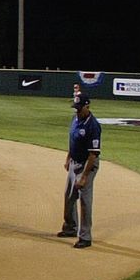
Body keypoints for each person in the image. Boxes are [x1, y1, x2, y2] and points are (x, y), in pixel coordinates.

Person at [59, 96, 101, 248]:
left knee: (84, 201)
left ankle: (85, 237)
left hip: (87, 165)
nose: (77, 111)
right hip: (74, 162)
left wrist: (84, 177)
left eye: (79, 108)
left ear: (87, 107)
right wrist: (68, 157)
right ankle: (70, 227)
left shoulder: (93, 126)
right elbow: (73, 141)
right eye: (75, 108)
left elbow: (93, 154)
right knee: (69, 196)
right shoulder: (75, 119)